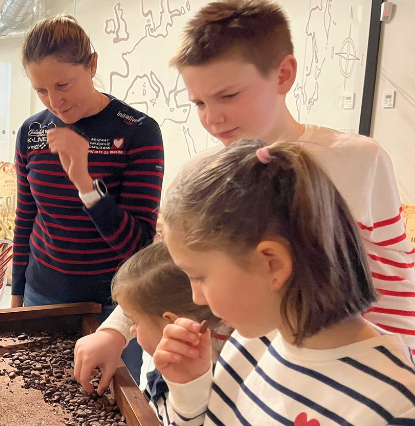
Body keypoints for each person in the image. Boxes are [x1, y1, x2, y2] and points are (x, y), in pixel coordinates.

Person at [75, 0, 415, 391]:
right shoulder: (199, 173)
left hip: (330, 384)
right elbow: (167, 269)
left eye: (228, 95)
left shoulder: (359, 160)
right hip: (222, 381)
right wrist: (116, 330)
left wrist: (395, 375)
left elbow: (394, 285)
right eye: (199, 103)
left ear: (283, 74)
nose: (212, 117)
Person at [156, 139, 415, 424]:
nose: (197, 298)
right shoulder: (247, 343)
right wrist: (191, 391)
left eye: (198, 277)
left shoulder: (395, 407)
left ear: (273, 264)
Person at [12, 15, 164, 383]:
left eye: (63, 84)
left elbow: (138, 245)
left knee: (104, 400)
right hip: (40, 296)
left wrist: (84, 182)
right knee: (36, 394)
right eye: (41, 90)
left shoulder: (138, 132)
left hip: (112, 308)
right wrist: (16, 300)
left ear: (92, 65)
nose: (55, 102)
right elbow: (25, 219)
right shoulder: (32, 132)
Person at [105, 242, 229, 424]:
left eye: (134, 322)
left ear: (171, 323)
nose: (131, 330)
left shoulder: (219, 391)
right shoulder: (175, 363)